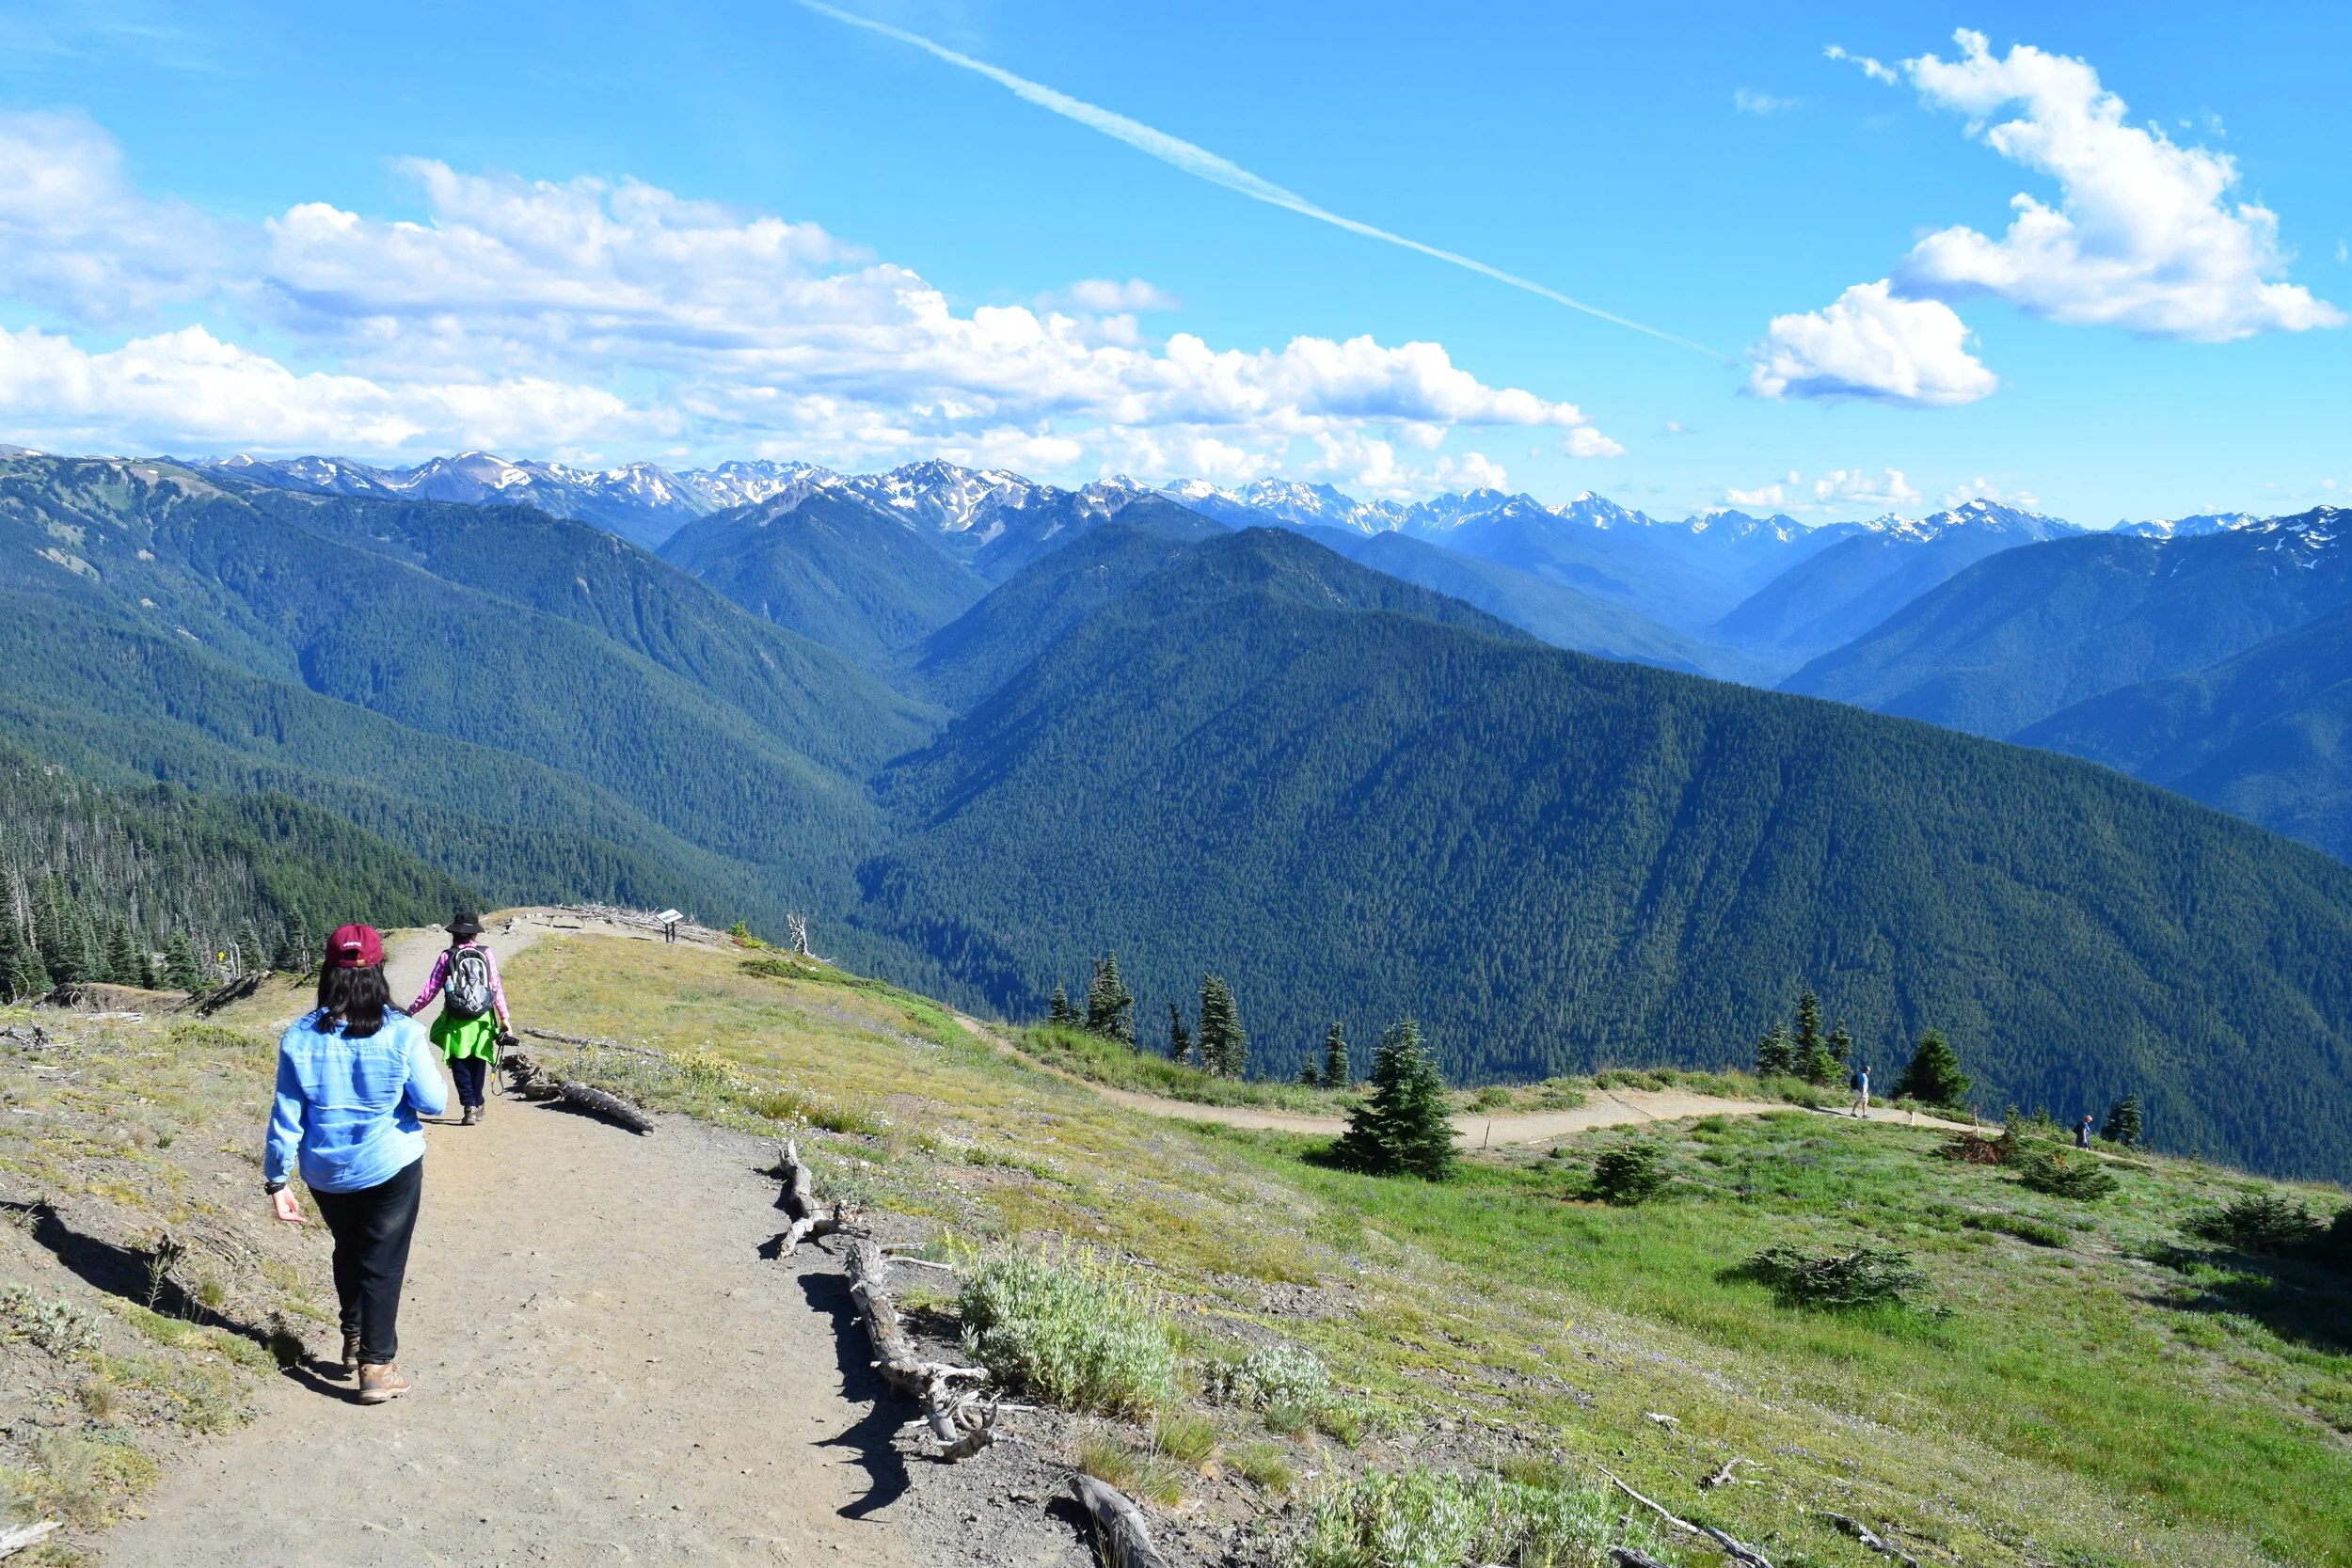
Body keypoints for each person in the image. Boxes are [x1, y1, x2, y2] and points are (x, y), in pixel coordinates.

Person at [264, 924, 444, 1403]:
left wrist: (276, 1180)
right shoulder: (404, 1032)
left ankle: (353, 1337)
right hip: (390, 1164)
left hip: (325, 1172)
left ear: (328, 972)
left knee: (349, 1249)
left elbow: (287, 1114)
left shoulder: (299, 1037)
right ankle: (376, 1366)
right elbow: (433, 1102)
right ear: (380, 970)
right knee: (382, 1261)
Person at [409, 911, 511, 1126]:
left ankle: (469, 1106)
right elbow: (495, 987)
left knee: (459, 1063)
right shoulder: (486, 953)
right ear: (474, 935)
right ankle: (479, 1101)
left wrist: (410, 1011)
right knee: (478, 1062)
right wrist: (504, 1018)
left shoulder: (448, 956)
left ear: (454, 933)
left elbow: (431, 989)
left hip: (456, 1019)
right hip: (482, 1019)